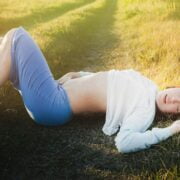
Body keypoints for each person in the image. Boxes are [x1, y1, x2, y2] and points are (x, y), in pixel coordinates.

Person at [0, 27, 179, 153]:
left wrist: (171, 130)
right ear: (175, 88)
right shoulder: (149, 85)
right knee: (4, 45)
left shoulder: (145, 111)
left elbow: (125, 143)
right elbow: (111, 78)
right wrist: (78, 74)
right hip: (54, 91)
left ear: (171, 115)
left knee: (17, 36)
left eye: (178, 108)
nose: (173, 101)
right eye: (179, 96)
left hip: (53, 103)